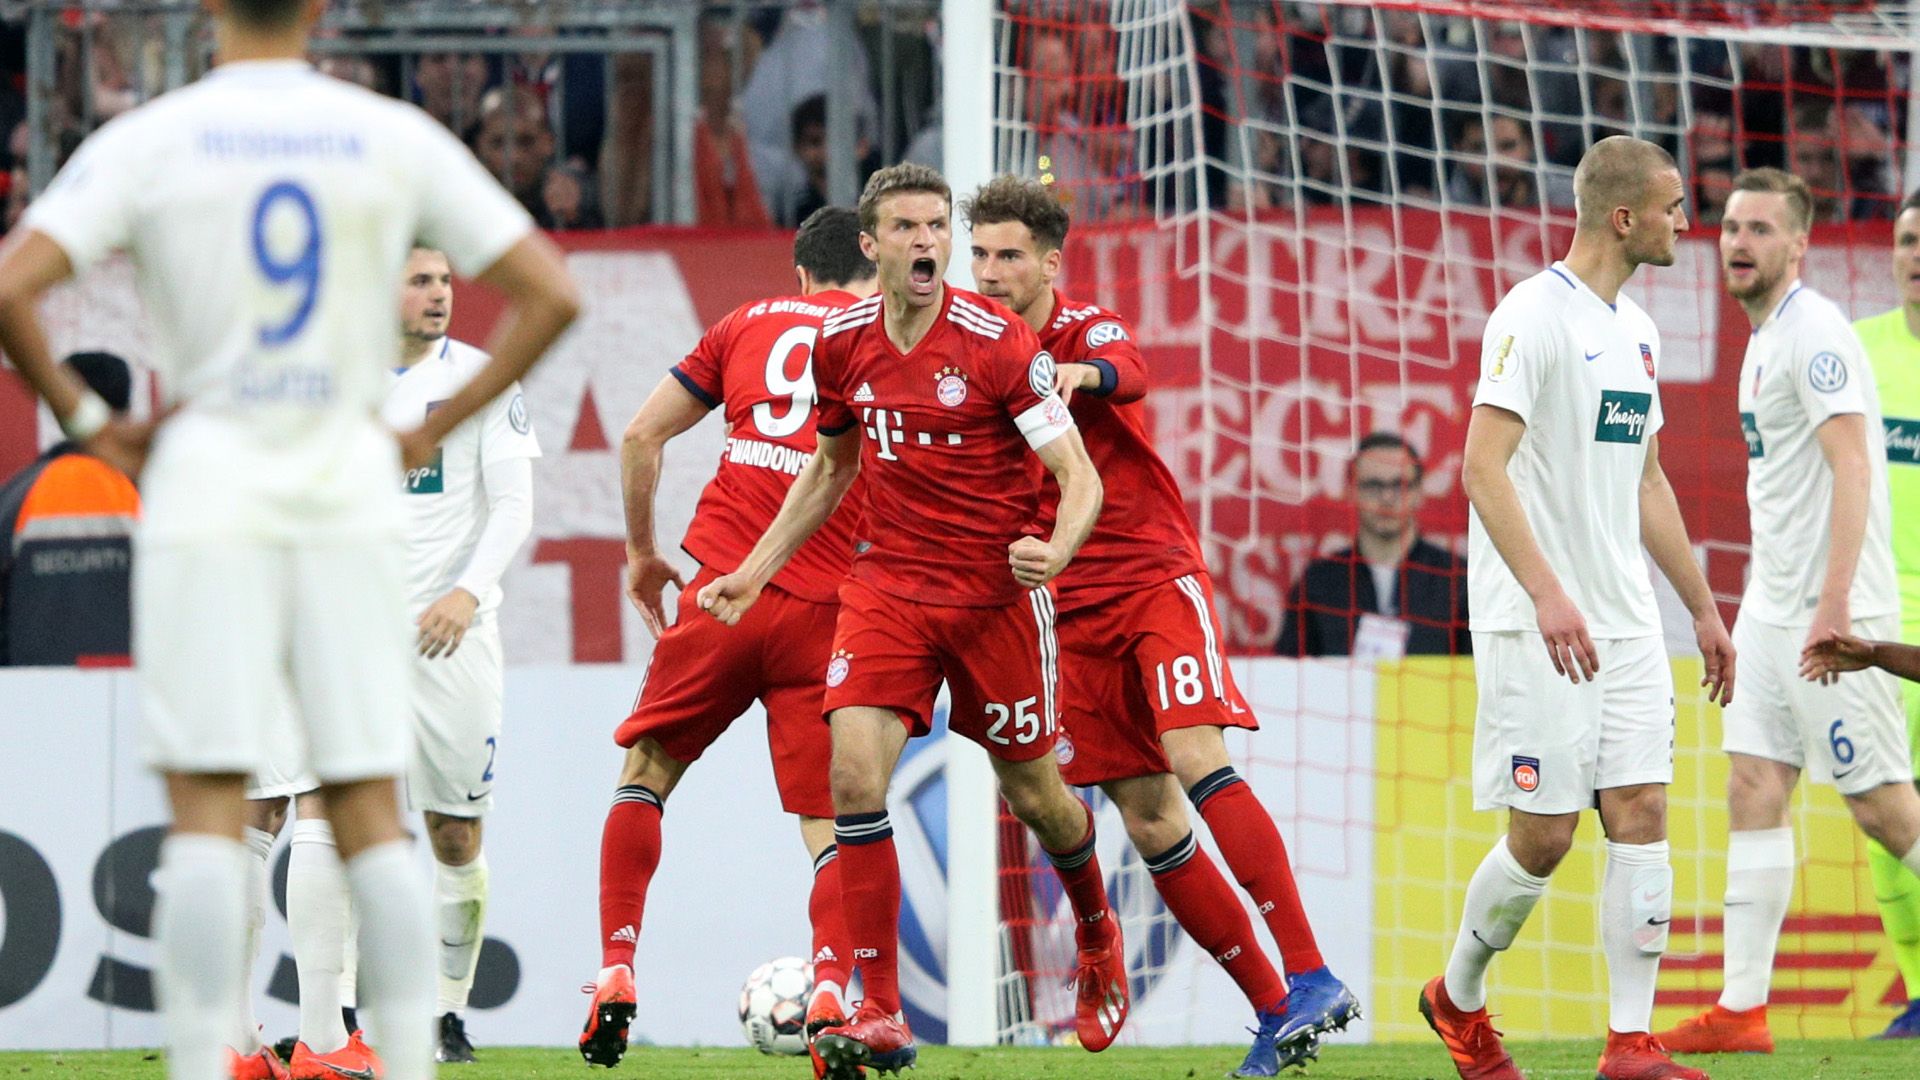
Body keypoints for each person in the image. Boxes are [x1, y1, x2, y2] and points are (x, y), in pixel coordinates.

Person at [0, 1, 582, 1077]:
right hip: (342, 495)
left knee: (214, 808)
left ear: (212, 9)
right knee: (360, 801)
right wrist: (432, 425)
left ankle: (213, 1058)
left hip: (211, 492)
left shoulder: (152, 137)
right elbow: (552, 291)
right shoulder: (385, 134)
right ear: (317, 10)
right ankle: (378, 1054)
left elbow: (12, 284)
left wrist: (92, 425)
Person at [698, 163, 1125, 1078]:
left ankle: (1093, 931)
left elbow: (1078, 477)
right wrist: (751, 571)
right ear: (873, 244)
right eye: (909, 229)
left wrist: (1055, 555)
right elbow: (829, 469)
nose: (929, 242)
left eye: (938, 227)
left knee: (1039, 797)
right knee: (853, 774)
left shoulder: (998, 342)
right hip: (886, 590)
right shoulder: (842, 341)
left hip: (993, 603)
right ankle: (881, 1009)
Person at [965, 175, 1361, 1076]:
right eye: (979, 254)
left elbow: (1130, 370)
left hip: (1149, 578)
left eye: (1009, 255)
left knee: (1195, 755)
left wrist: (1079, 375)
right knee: (1147, 818)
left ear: (1049, 263)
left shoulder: (1082, 328)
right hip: (1065, 608)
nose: (990, 272)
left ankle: (1310, 969)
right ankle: (1277, 1010)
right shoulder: (968, 351)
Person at [1418, 136, 1734, 1080]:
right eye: (1675, 205)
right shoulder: (1531, 316)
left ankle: (1631, 1042)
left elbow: (1647, 483)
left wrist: (1704, 611)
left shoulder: (1639, 331)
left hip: (1629, 623)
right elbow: (1482, 467)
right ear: (1623, 216)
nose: (1689, 222)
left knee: (1641, 808)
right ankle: (1458, 998)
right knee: (1546, 834)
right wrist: (1549, 593)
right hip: (1537, 623)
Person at [577, 207, 877, 1074]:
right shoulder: (882, 344)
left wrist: (642, 555)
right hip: (826, 609)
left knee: (646, 777)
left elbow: (640, 434)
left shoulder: (745, 324)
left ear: (799, 272)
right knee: (833, 822)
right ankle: (828, 990)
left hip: (719, 592)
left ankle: (617, 968)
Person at [1656, 169, 1920, 1055]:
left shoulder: (1816, 335)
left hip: (1827, 608)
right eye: (1731, 225)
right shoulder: (1763, 337)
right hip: (1774, 610)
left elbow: (1855, 467)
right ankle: (1740, 1008)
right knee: (1753, 784)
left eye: (1761, 229)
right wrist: (1755, 611)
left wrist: (1837, 603)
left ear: (1799, 244)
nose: (1738, 241)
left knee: (1887, 814)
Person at [1844, 188, 1920, 1039]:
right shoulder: (1858, 352)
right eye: (1905, 240)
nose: (1916, 255)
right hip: (1880, 617)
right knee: (1883, 803)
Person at [1276, 432, 1470, 659]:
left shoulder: (1458, 580)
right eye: (1373, 485)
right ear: (1351, 491)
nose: (1387, 498)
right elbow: (1288, 675)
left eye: (1400, 485)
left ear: (1419, 492)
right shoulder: (1318, 584)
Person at [0, 351, 138, 666]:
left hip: (27, 697)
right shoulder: (149, 495)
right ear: (127, 406)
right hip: (137, 696)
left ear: (62, 404)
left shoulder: (16, 495)